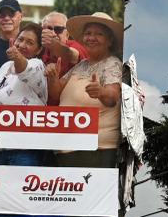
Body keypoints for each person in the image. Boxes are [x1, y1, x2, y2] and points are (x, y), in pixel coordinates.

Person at [51, 12, 123, 167]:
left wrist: (101, 92)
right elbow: (56, 94)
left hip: (96, 150)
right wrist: (52, 77)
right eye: (88, 33)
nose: (91, 38)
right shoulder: (81, 65)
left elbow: (112, 97)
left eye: (99, 34)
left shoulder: (112, 63)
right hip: (67, 149)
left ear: (109, 40)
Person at [0, 22, 51, 166]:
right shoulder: (5, 66)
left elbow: (25, 69)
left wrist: (17, 57)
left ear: (39, 49)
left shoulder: (37, 64)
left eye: (29, 42)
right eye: (20, 39)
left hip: (23, 147)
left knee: (22, 187)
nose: (22, 45)